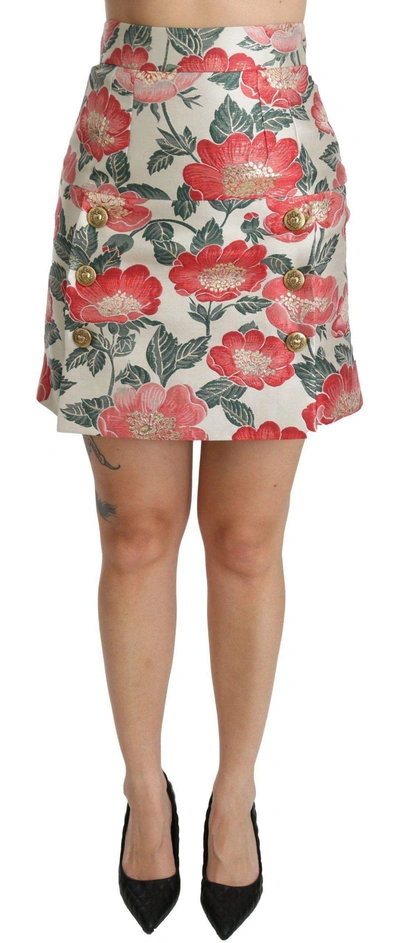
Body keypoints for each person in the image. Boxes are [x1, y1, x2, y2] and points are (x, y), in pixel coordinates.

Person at [36, 0, 363, 936]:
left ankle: (235, 792)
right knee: (136, 535)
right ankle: (145, 790)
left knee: (248, 541)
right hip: (125, 174)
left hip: (273, 166)